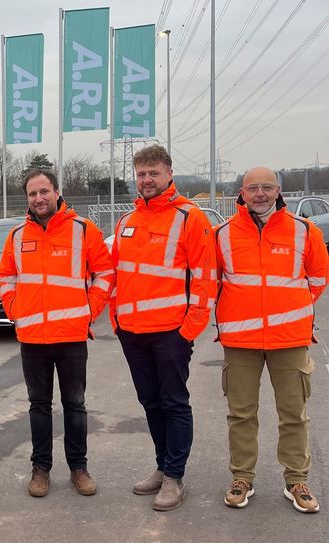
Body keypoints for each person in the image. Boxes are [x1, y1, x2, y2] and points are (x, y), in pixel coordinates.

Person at [214, 167, 327, 513]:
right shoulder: (221, 234)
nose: (260, 193)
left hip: (290, 339)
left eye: (266, 187)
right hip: (240, 341)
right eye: (252, 188)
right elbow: (213, 281)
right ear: (242, 194)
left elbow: (319, 277)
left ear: (278, 190)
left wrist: (291, 311)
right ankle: (242, 477)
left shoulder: (303, 230)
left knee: (294, 414)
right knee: (241, 415)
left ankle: (296, 480)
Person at [109, 145, 215, 511]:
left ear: (169, 173)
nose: (147, 180)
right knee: (150, 402)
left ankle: (174, 476)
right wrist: (117, 319)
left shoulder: (190, 217)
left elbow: (205, 278)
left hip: (171, 332)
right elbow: (116, 276)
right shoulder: (127, 222)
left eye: (153, 172)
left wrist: (189, 329)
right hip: (132, 333)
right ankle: (161, 465)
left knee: (173, 402)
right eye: (141, 173)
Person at [0, 169, 114, 498]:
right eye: (32, 194)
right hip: (32, 338)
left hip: (72, 336)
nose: (39, 198)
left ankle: (79, 468)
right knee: (38, 406)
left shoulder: (82, 230)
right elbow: (5, 278)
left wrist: (89, 311)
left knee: (75, 404)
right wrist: (15, 311)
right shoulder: (18, 235)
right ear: (27, 198)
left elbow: (105, 274)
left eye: (44, 191)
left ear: (57, 191)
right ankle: (41, 469)